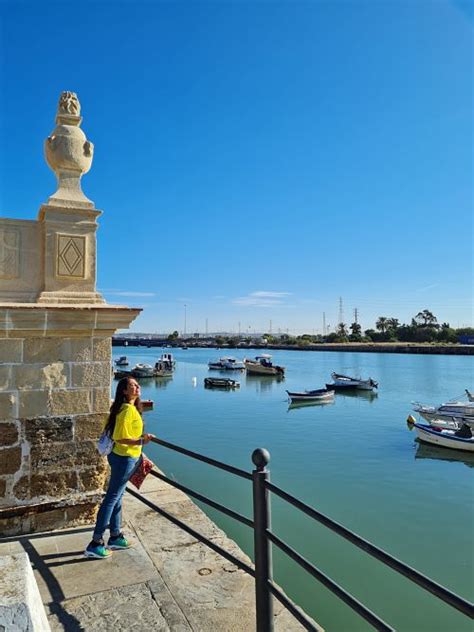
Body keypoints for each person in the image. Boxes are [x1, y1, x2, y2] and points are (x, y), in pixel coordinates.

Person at [85, 377, 154, 559]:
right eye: (133, 385)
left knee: (118, 497)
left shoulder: (123, 408)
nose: (137, 387)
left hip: (121, 456)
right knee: (112, 497)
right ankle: (96, 542)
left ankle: (115, 536)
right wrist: (142, 440)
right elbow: (119, 437)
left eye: (138, 384)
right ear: (124, 390)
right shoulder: (127, 410)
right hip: (124, 457)